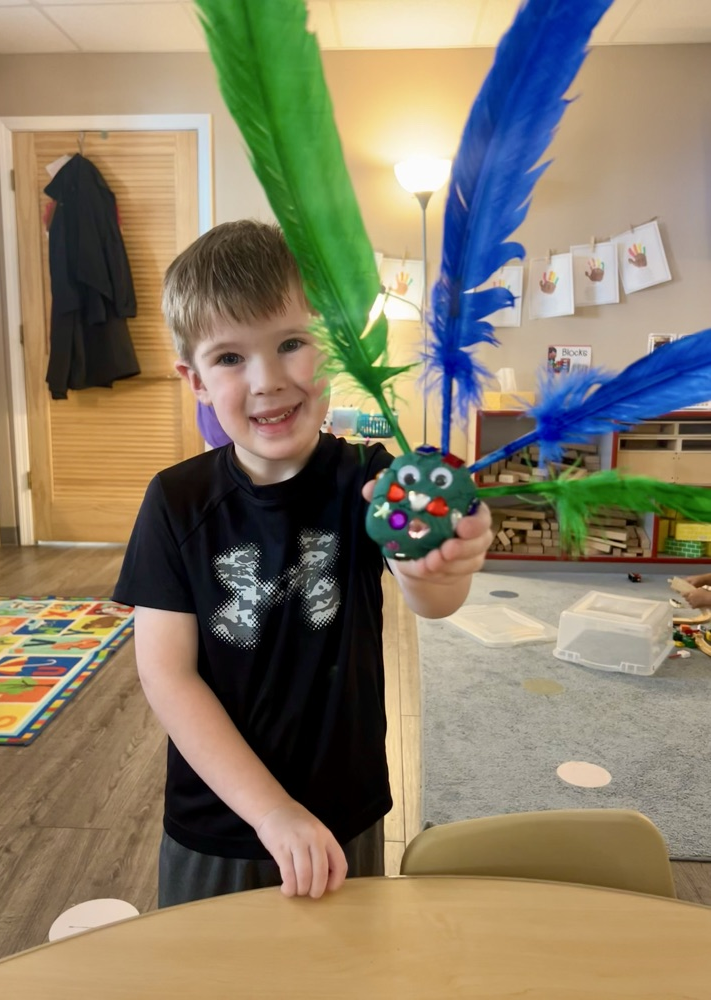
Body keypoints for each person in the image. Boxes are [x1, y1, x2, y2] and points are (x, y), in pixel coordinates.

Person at [113, 220, 492, 906]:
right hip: (219, 824)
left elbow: (432, 601)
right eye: (230, 358)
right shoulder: (176, 502)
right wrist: (270, 811)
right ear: (194, 380)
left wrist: (445, 565)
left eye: (292, 343)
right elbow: (165, 675)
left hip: (342, 814)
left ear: (332, 351)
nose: (269, 380)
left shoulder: (369, 481)